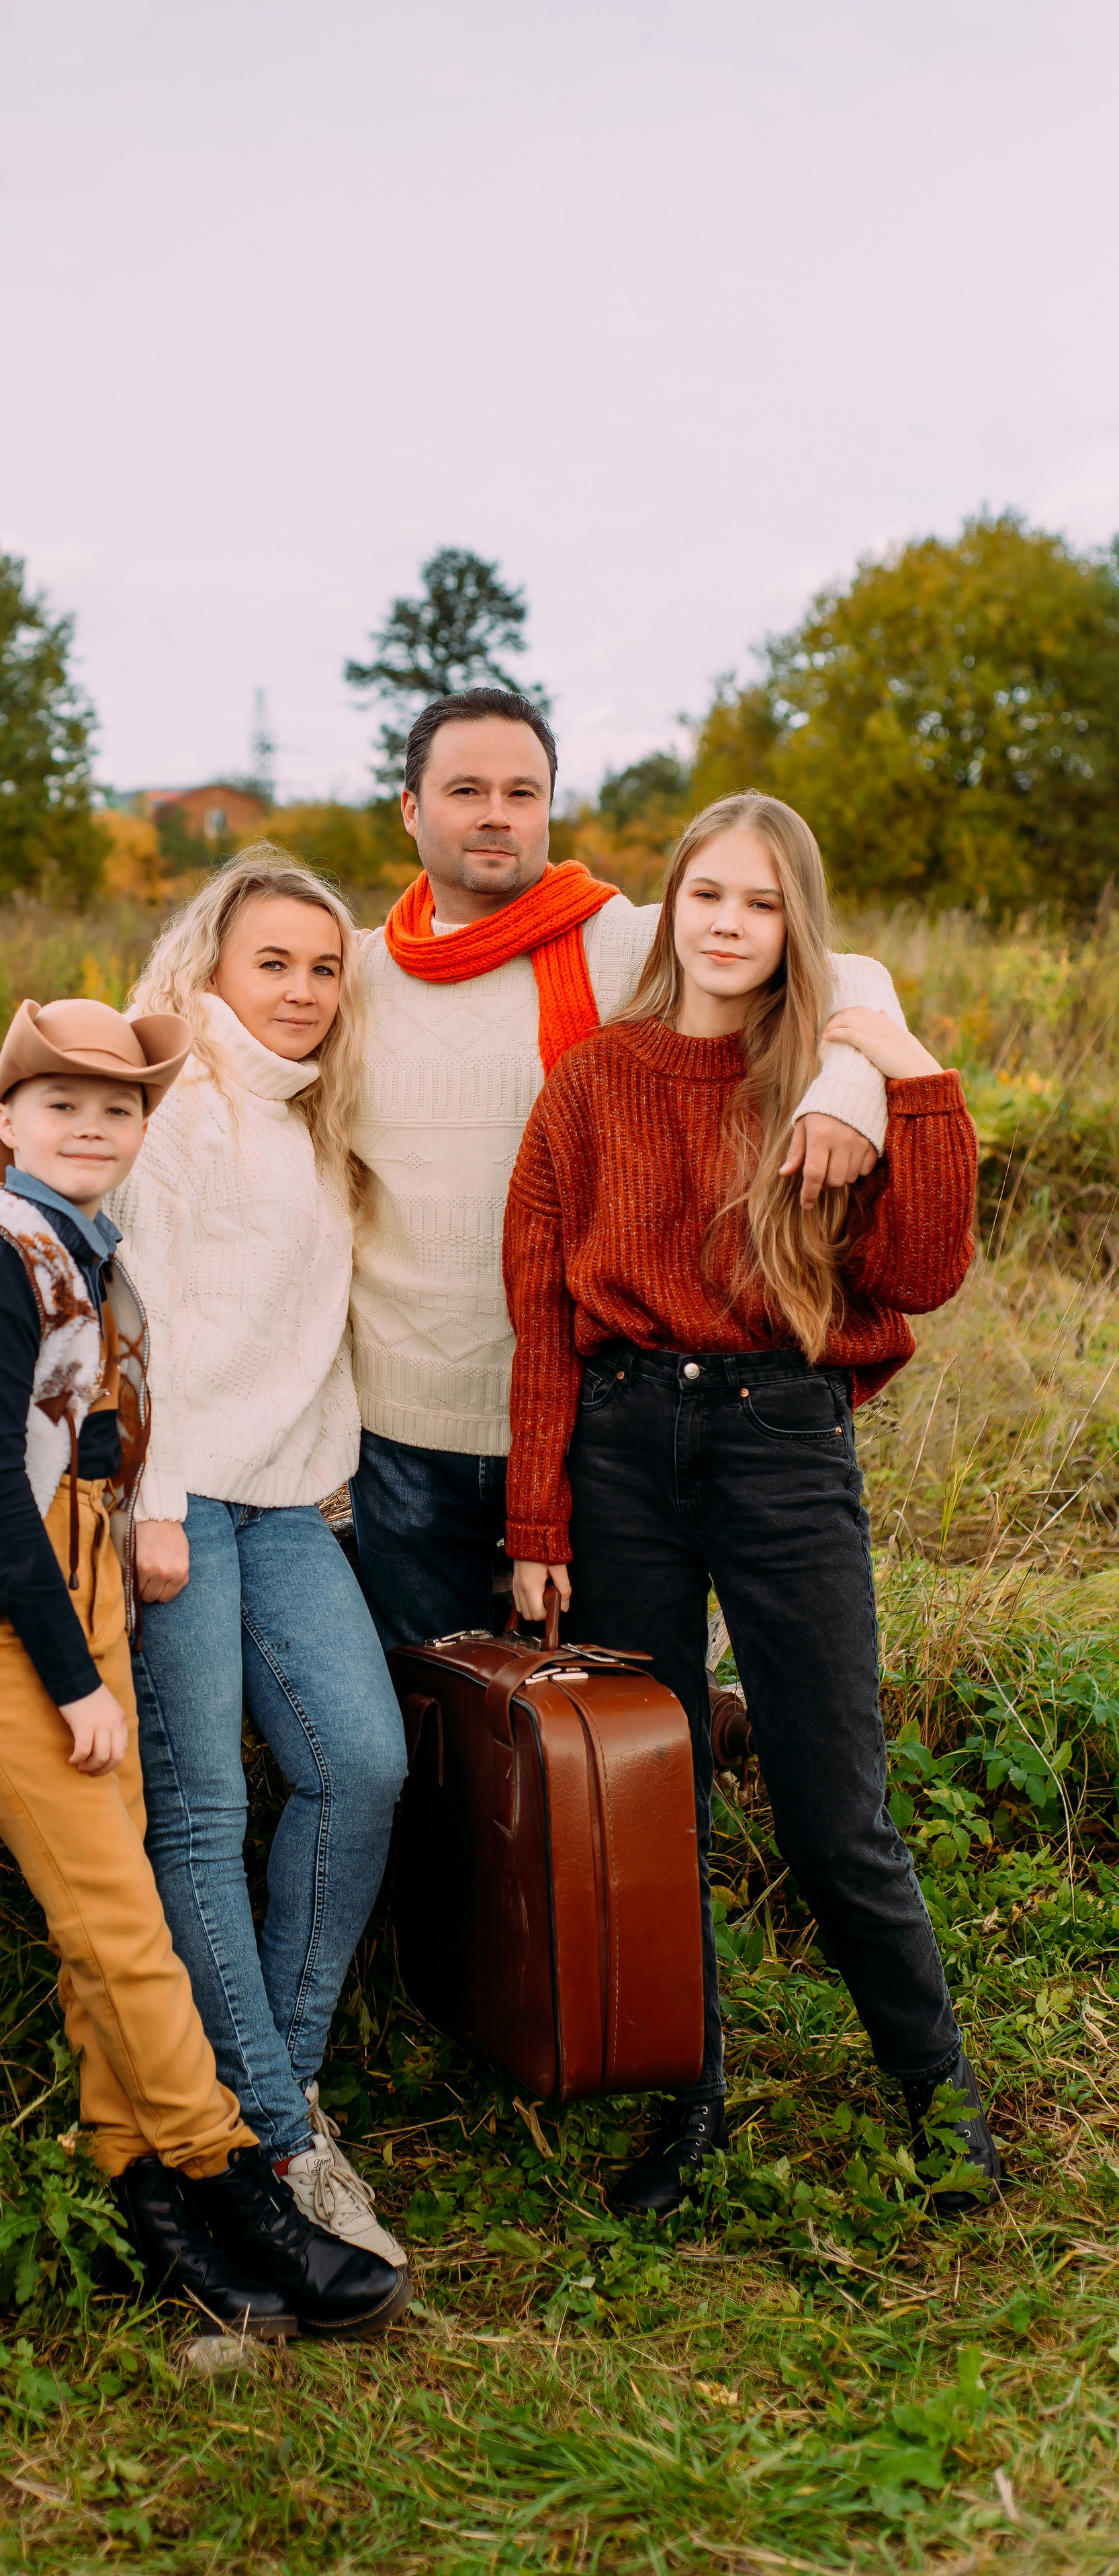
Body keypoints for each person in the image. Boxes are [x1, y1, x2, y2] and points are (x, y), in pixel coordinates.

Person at [0, 994, 409, 2338]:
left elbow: (76, 1452)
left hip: (67, 1591)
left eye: (116, 1108)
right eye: (60, 1105)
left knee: (112, 1919)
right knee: (122, 1923)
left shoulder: (86, 1250)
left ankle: (144, 2202)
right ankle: (243, 2193)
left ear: (143, 1128)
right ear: (5, 1119)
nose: (89, 1127)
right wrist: (77, 1679)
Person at [503, 791, 1004, 2219]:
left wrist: (902, 1074)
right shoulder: (594, 1081)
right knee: (653, 1802)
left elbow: (920, 1273)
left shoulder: (828, 1086)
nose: (727, 924)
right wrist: (536, 1527)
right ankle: (689, 2102)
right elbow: (538, 1313)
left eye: (761, 902)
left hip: (778, 1441)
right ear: (671, 911)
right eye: (706, 896)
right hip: (616, 1449)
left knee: (830, 1801)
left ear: (799, 928)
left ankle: (938, 2096)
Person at [346, 686, 907, 1655]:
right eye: (465, 789)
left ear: (550, 808)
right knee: (437, 1728)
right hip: (406, 1431)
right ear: (409, 806)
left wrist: (849, 1087)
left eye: (523, 792)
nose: (495, 814)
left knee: (600, 1741)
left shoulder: (611, 939)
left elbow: (840, 969)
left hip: (594, 1423)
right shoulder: (351, 974)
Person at [108, 851, 408, 2268]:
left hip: (288, 1501)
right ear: (211, 967)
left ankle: (272, 2099)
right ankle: (279, 2142)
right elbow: (130, 1310)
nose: (297, 991)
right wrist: (150, 1499)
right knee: (202, 1805)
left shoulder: (316, 1124)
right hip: (174, 1503)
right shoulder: (174, 1112)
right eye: (269, 963)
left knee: (362, 1763)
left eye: (320, 967)